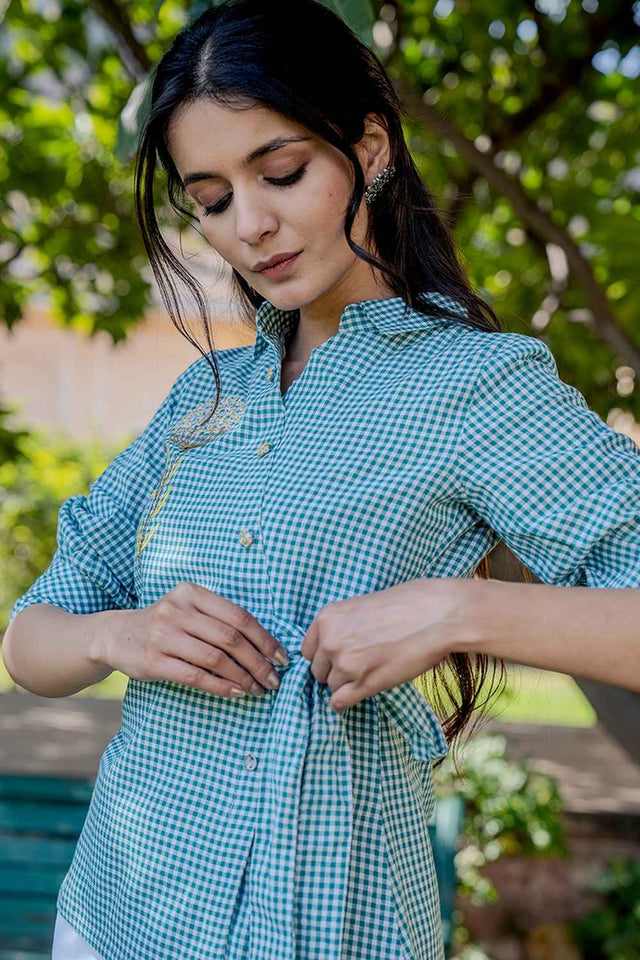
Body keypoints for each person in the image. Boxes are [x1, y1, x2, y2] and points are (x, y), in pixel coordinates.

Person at [4, 1, 640, 958]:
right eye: (211, 200)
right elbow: (31, 641)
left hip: (328, 925)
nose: (251, 226)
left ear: (371, 150)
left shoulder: (476, 383)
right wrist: (119, 634)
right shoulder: (203, 393)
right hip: (115, 914)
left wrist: (463, 611)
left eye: (283, 172)